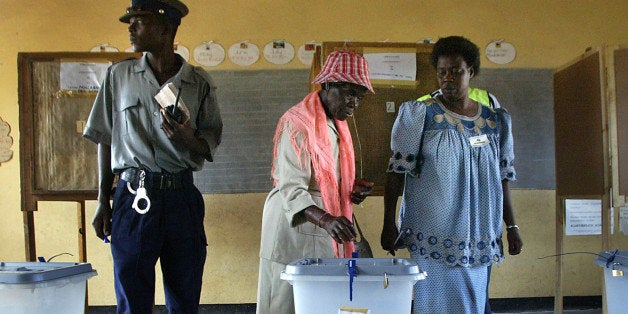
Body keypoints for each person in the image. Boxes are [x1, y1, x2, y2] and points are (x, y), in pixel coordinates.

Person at [83, 1, 222, 313]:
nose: (131, 29)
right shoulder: (118, 76)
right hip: (132, 198)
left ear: (166, 27)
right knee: (132, 299)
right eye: (131, 22)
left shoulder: (198, 82)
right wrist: (102, 200)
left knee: (185, 295)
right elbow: (104, 138)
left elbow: (211, 141)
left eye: (140, 21)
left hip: (181, 199)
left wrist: (190, 139)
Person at [380, 36, 523, 313]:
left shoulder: (495, 121)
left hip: (480, 234)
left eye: (456, 72)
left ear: (471, 72)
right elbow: (396, 173)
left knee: (473, 304)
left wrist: (512, 226)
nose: (448, 78)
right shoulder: (419, 114)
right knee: (437, 305)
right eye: (442, 72)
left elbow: (501, 178)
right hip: (434, 234)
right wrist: (388, 223)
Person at [256, 50, 375, 314]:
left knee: (319, 303)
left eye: (360, 95)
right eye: (349, 93)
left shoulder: (335, 122)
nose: (355, 102)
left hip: (324, 222)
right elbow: (290, 187)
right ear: (329, 84)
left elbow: (325, 174)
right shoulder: (298, 123)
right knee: (285, 302)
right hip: (296, 223)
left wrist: (350, 187)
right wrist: (326, 219)